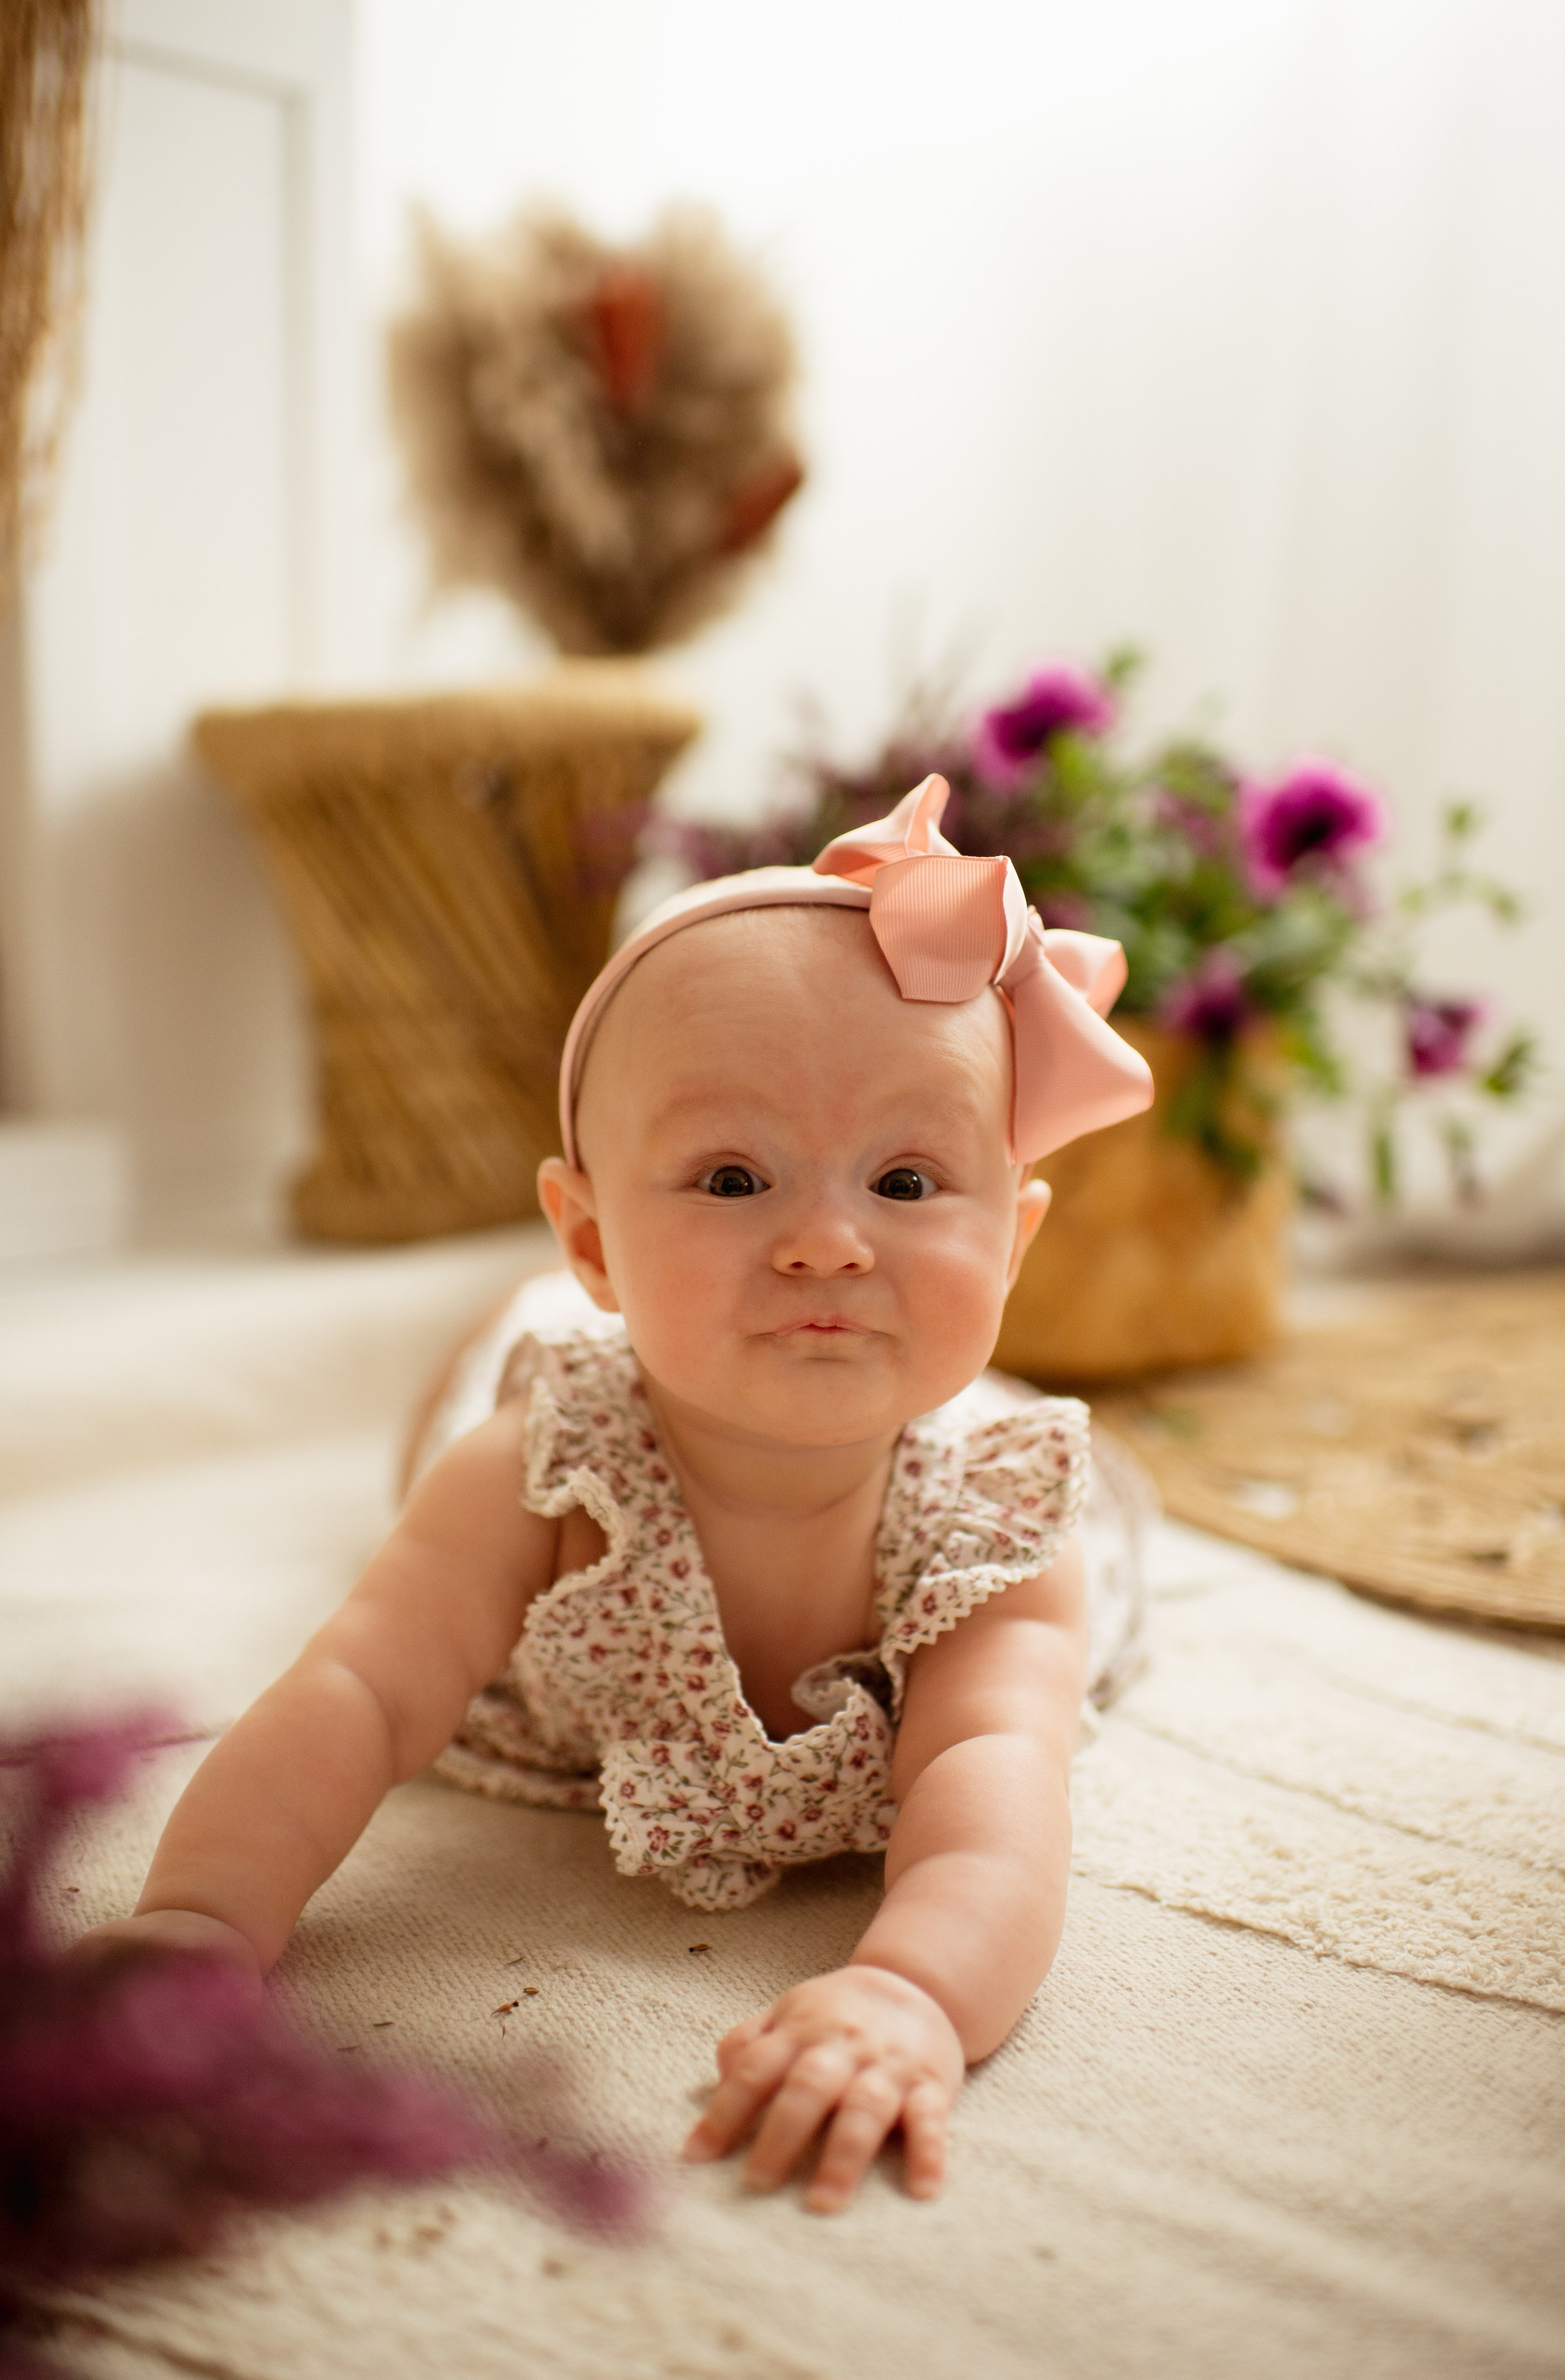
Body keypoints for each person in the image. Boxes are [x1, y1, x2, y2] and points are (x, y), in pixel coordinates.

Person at [79, 776, 1153, 2213]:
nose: (828, 1243)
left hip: (913, 1433)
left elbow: (992, 1784)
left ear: (1012, 1239)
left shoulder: (994, 1531)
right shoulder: (540, 1468)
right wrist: (198, 1919)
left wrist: (910, 1993)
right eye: (729, 1177)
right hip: (575, 1397)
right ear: (590, 1233)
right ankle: (535, 1307)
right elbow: (360, 1688)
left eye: (906, 1179)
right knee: (455, 1434)